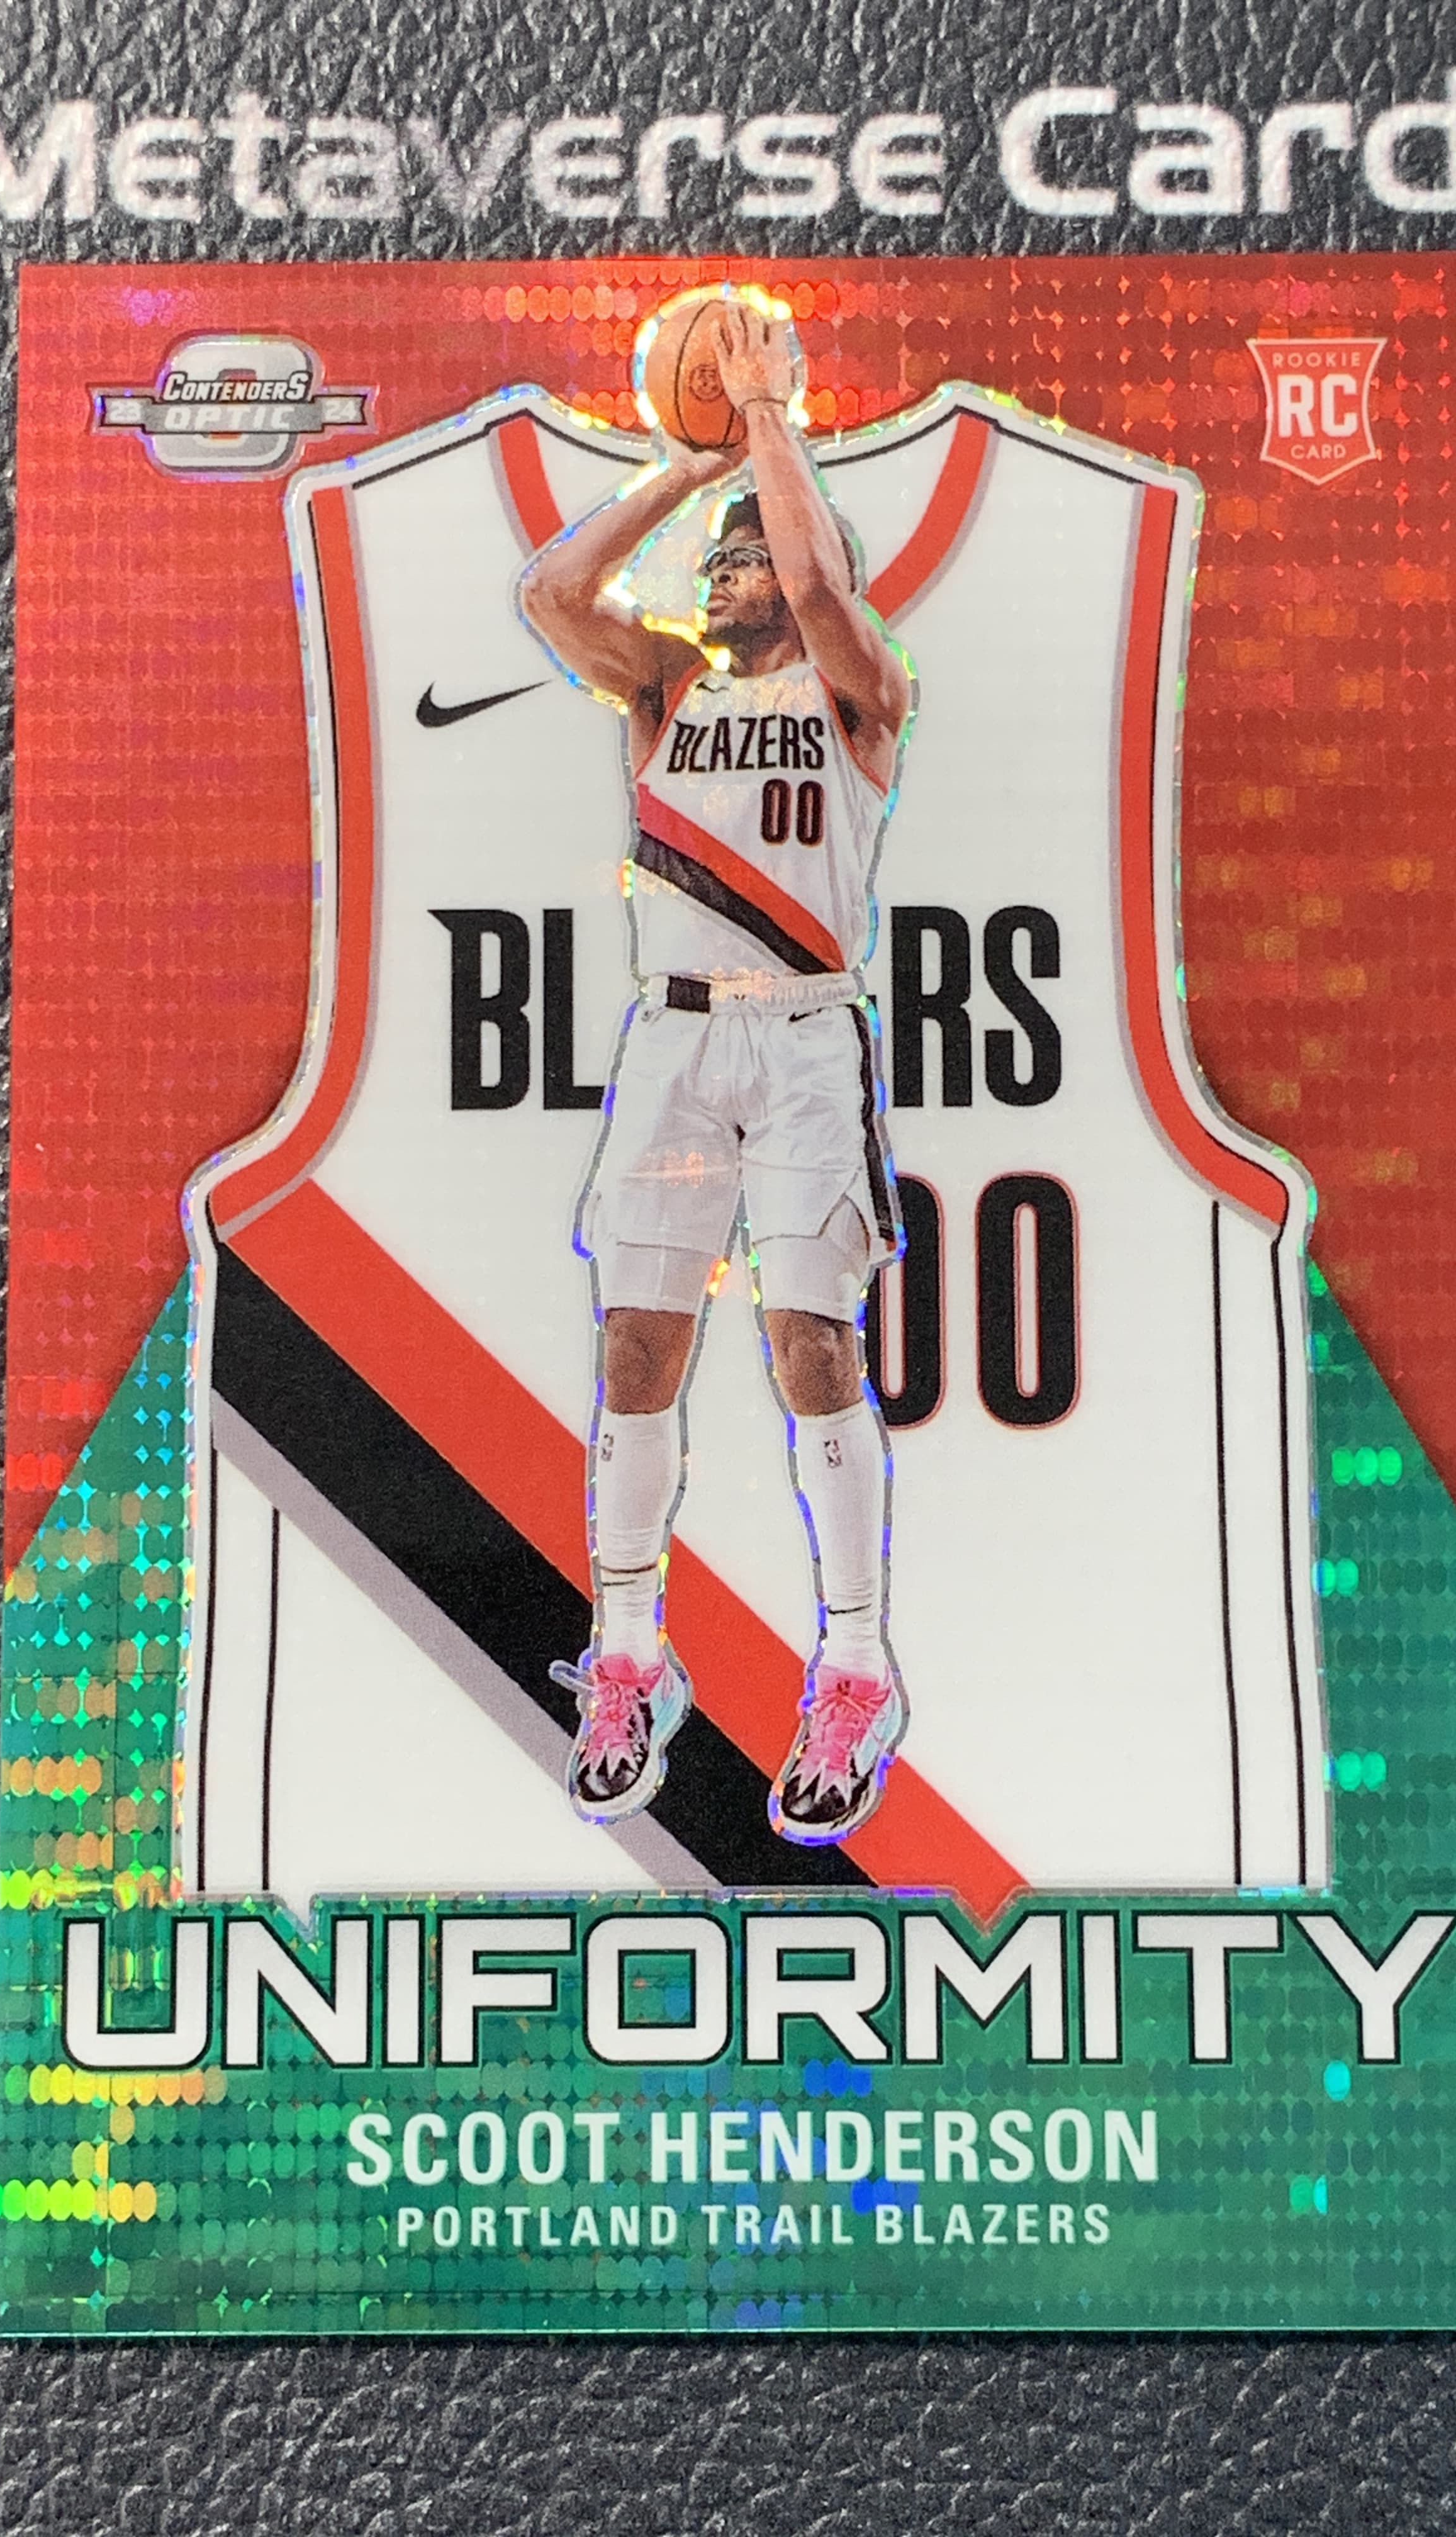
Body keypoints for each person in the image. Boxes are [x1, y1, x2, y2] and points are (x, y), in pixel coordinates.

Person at [517, 300, 916, 1845]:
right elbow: (550, 590)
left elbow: (816, 582)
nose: (725, 571)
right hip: (674, 1038)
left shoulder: (858, 688)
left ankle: (857, 1663)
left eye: (744, 552)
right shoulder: (665, 688)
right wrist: (685, 467)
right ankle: (628, 1653)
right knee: (638, 1349)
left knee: (813, 1345)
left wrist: (763, 421)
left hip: (806, 1036)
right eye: (719, 558)